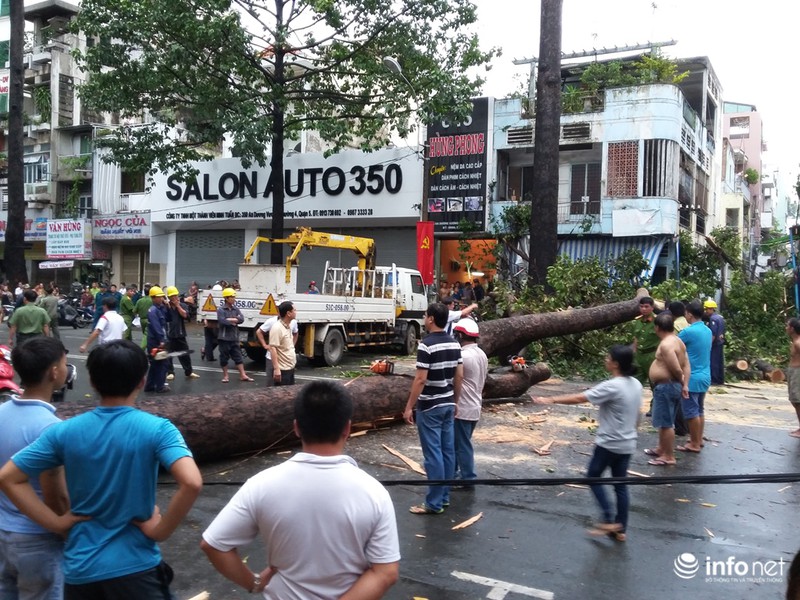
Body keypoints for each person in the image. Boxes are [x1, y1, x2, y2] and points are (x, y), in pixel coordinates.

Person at [0, 339, 203, 599]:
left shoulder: (64, 431)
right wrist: (159, 531)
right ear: (142, 380)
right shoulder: (158, 429)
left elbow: (8, 478)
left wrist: (57, 523)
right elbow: (192, 482)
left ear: (93, 382)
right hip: (137, 567)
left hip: (80, 571)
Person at [200, 381, 400, 598]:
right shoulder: (374, 492)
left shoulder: (261, 485)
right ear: (347, 428)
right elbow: (386, 573)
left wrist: (254, 582)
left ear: (296, 427)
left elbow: (213, 545)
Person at [534, 344, 642, 540]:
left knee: (593, 477)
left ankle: (609, 520)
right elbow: (638, 413)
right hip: (628, 442)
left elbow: (579, 398)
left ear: (616, 364)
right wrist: (633, 430)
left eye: (608, 357)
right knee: (620, 485)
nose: (605, 359)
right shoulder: (635, 383)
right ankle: (621, 529)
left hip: (609, 443)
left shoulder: (612, 386)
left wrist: (551, 399)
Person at [0, 337, 70, 599]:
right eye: (64, 363)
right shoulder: (50, 427)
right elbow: (56, 496)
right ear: (54, 372)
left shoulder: (2, 411)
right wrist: (66, 527)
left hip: (3, 531)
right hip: (37, 539)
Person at [403, 302, 463, 515]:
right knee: (447, 451)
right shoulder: (455, 343)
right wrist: (455, 400)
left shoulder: (426, 345)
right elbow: (459, 376)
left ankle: (434, 502)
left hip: (430, 405)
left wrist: (409, 406)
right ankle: (444, 497)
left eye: (426, 315)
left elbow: (420, 379)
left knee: (433, 455)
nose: (424, 317)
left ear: (430, 319)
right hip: (447, 403)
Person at [644, 313, 690, 467]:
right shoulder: (679, 341)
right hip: (671, 386)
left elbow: (677, 368)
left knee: (666, 423)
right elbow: (687, 365)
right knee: (666, 420)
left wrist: (681, 379)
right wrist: (685, 384)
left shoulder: (666, 344)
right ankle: (661, 449)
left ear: (657, 327)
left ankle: (668, 456)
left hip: (667, 386)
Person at [452, 318, 488, 485]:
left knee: (461, 445)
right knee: (460, 443)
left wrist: (454, 401)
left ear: (460, 335)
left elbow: (456, 378)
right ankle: (455, 473)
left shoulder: (463, 356)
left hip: (463, 406)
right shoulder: (481, 354)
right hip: (475, 405)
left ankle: (467, 477)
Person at [677, 300, 712, 452]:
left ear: (689, 314)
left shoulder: (687, 332)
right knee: (700, 410)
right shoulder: (707, 330)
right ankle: (697, 438)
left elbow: (674, 346)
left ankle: (695, 443)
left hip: (692, 377)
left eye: (686, 313)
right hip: (705, 375)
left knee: (691, 412)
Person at [217, 287, 253, 383]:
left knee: (238, 356)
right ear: (227, 298)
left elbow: (241, 319)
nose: (234, 299)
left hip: (234, 337)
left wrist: (231, 319)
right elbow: (222, 321)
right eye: (232, 297)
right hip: (224, 338)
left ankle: (243, 375)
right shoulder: (221, 309)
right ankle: (225, 376)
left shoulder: (235, 309)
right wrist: (234, 320)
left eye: (234, 297)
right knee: (224, 357)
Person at [165, 286, 199, 381]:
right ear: (169, 297)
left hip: (180, 334)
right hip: (169, 334)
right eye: (172, 296)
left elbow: (185, 315)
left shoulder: (183, 305)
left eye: (175, 295)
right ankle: (170, 372)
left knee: (184, 354)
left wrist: (178, 306)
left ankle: (189, 371)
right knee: (169, 354)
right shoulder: (166, 307)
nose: (174, 298)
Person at [256, 312, 298, 387]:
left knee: (288, 387)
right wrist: (265, 345)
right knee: (272, 385)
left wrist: (291, 346)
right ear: (287, 313)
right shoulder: (274, 324)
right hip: (272, 358)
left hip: (286, 362)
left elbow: (295, 333)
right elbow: (259, 332)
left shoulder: (292, 322)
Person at [145, 285, 170, 393]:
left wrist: (167, 307)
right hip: (155, 341)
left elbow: (169, 319)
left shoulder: (161, 308)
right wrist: (162, 340)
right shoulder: (153, 311)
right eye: (159, 297)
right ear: (153, 298)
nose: (161, 298)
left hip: (158, 339)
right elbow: (157, 327)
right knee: (162, 364)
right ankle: (160, 386)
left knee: (155, 364)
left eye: (162, 296)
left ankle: (149, 386)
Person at [268, 301, 298, 386]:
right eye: (294, 310)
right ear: (288, 313)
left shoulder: (288, 326)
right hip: (282, 370)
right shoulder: (277, 328)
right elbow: (273, 348)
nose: (296, 312)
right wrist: (277, 369)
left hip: (290, 368)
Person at [704, 299, 726, 385]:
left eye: (707, 309)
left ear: (711, 309)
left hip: (715, 343)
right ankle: (720, 379)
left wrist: (709, 344)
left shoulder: (713, 319)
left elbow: (713, 333)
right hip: (720, 342)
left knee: (713, 362)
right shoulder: (720, 317)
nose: (706, 311)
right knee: (720, 362)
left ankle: (714, 380)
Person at [785, 319, 800, 439]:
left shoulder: (798, 342)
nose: (786, 328)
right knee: (794, 400)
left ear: (792, 329)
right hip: (793, 371)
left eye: (787, 326)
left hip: (797, 372)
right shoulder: (794, 341)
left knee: (797, 401)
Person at [134, 283, 154, 350]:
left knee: (145, 334)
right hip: (150, 320)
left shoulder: (140, 301)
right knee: (147, 335)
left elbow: (135, 310)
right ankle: (141, 349)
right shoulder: (152, 300)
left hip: (142, 320)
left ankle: (149, 347)